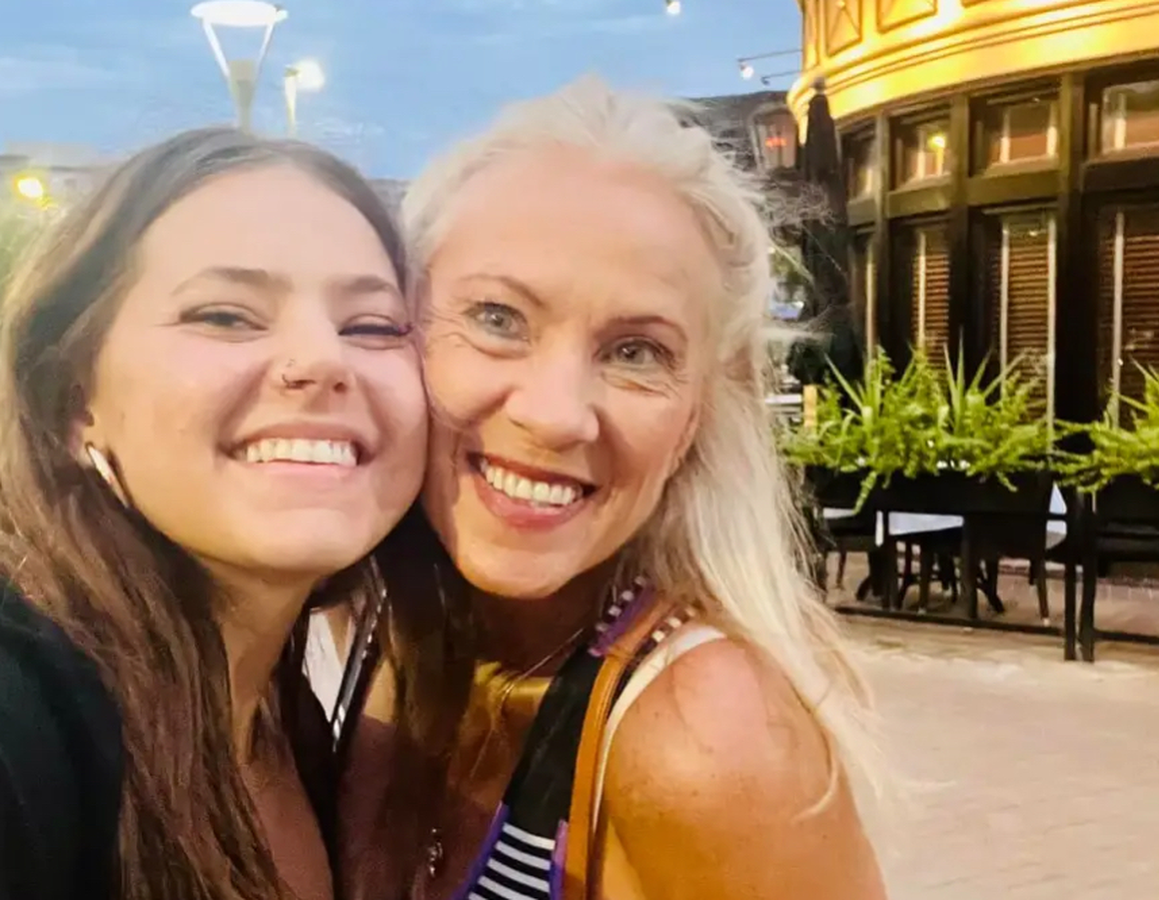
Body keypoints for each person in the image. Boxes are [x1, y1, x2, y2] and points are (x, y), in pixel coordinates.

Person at [341, 77, 886, 900]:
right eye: (497, 318)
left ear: (697, 415)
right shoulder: (380, 627)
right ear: (400, 333)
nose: (557, 415)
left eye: (636, 353)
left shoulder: (705, 742)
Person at [0, 127, 427, 900]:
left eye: (371, 326)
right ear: (73, 399)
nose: (323, 359)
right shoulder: (27, 714)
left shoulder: (283, 719)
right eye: (226, 316)